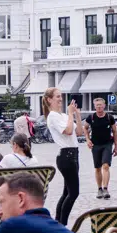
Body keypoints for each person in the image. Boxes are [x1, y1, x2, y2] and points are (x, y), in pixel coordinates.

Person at [44, 87, 82, 225]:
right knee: (73, 193)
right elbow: (68, 130)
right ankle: (62, 224)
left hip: (73, 154)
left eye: (61, 96)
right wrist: (70, 114)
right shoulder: (53, 116)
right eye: (57, 96)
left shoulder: (64, 116)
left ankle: (58, 222)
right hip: (66, 155)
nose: (60, 99)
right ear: (49, 100)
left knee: (67, 192)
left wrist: (77, 115)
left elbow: (79, 132)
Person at [86, 98, 117, 201]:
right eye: (97, 105)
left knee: (105, 165)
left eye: (100, 105)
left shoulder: (109, 117)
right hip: (95, 145)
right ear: (94, 106)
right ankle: (99, 189)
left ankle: (105, 189)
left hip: (107, 144)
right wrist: (87, 139)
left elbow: (115, 131)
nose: (99, 107)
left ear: (104, 106)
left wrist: (116, 146)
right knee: (97, 168)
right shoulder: (91, 117)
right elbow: (85, 128)